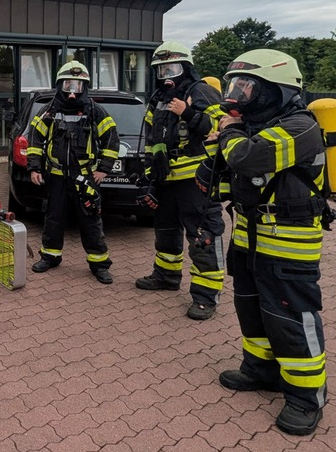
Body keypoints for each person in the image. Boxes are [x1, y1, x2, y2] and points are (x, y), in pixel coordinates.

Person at [211, 48, 329, 436]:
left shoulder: (300, 127)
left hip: (287, 242)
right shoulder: (252, 125)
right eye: (236, 86)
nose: (238, 95)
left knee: (292, 318)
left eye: (247, 87)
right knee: (251, 310)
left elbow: (248, 159)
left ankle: (306, 397)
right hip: (249, 236)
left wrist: (227, 132)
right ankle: (260, 369)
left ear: (275, 89)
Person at [134, 41, 227, 321]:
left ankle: (205, 297)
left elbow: (222, 128)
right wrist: (149, 176)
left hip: (196, 181)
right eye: (161, 69)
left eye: (172, 68)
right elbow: (151, 139)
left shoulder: (201, 91)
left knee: (203, 238)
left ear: (185, 67)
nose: (166, 75)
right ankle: (166, 276)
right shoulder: (157, 98)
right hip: (166, 179)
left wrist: (186, 113)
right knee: (164, 230)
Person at [25, 61, 119, 284]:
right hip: (56, 176)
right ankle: (50, 257)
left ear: (84, 87)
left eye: (77, 86)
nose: (72, 92)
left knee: (90, 221)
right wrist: (34, 167)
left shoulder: (95, 111)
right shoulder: (48, 111)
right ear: (60, 85)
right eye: (68, 85)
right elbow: (35, 140)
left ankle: (99, 264)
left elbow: (112, 141)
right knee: (53, 218)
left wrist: (104, 170)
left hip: (84, 177)